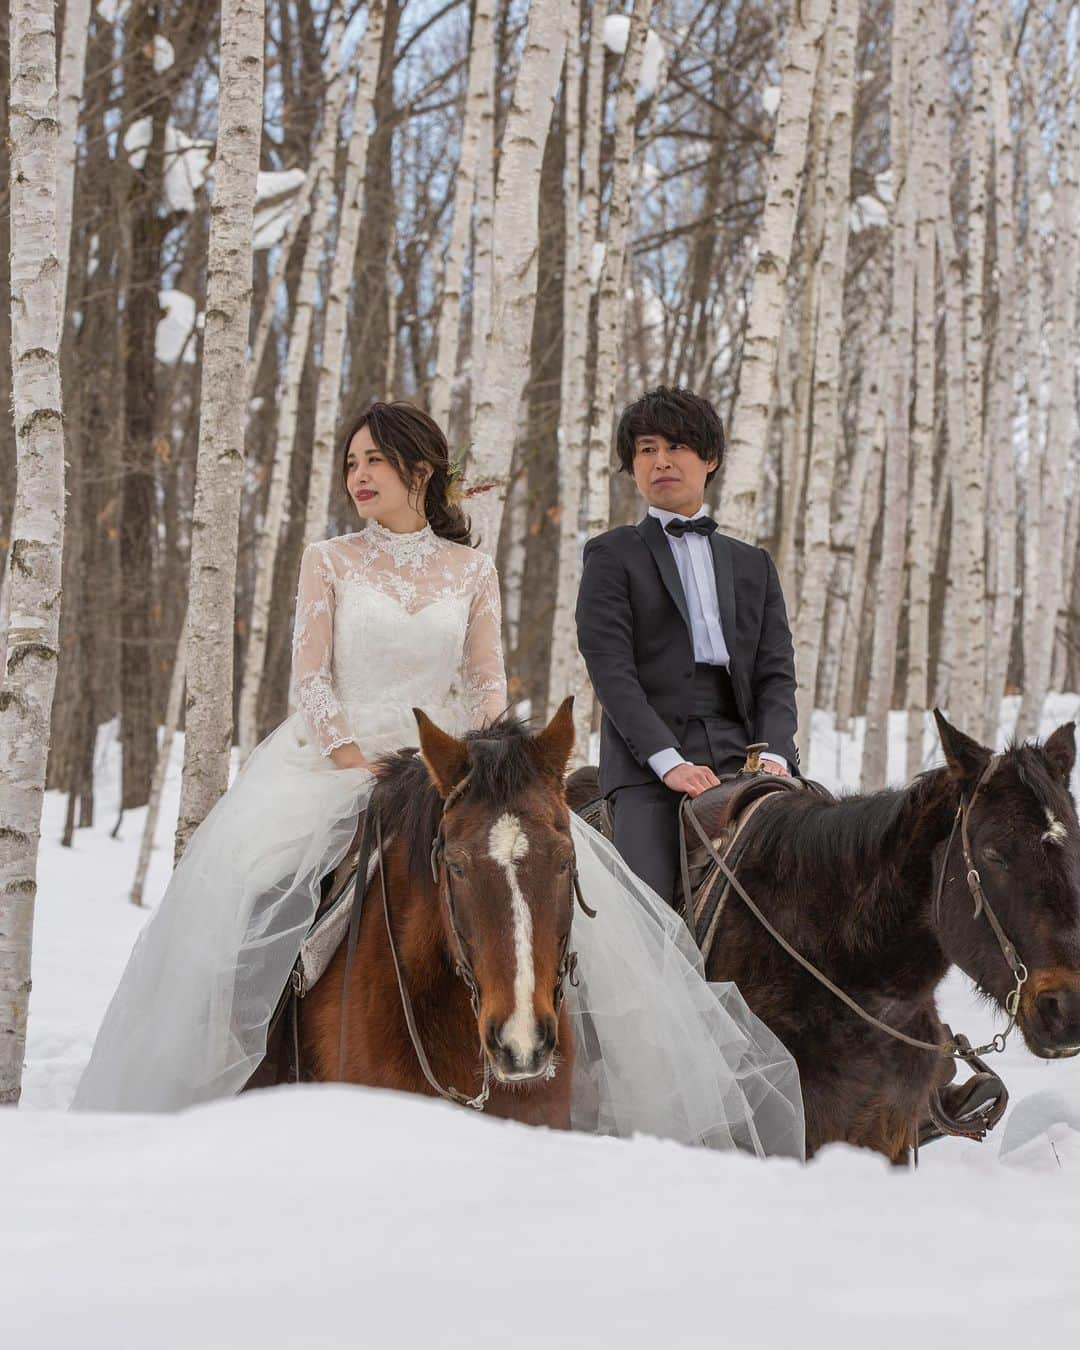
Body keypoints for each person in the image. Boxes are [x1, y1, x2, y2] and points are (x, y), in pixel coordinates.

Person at [74, 398, 803, 1159]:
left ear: (420, 470)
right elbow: (312, 678)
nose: (359, 475)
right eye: (352, 463)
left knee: (547, 894)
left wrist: (491, 763)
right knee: (261, 894)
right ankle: (246, 1061)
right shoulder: (329, 559)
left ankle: (566, 1062)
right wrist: (353, 763)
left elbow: (486, 684)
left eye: (375, 461)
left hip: (448, 768)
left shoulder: (471, 570)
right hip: (341, 764)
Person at [575, 386, 799, 906]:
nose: (661, 461)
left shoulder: (753, 564)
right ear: (632, 466)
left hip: (745, 746)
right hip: (647, 759)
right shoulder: (611, 555)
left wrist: (778, 757)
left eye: (676, 447)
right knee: (650, 908)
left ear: (710, 458)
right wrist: (666, 760)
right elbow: (610, 671)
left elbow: (775, 674)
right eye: (647, 449)